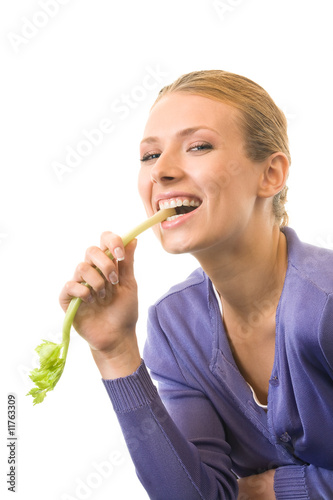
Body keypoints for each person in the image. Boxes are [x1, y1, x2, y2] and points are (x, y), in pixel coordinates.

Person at [60, 70, 333, 499]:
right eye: (149, 156)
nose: (161, 172)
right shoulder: (174, 328)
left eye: (198, 146)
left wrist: (282, 489)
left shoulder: (326, 304)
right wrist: (115, 352)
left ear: (271, 174)